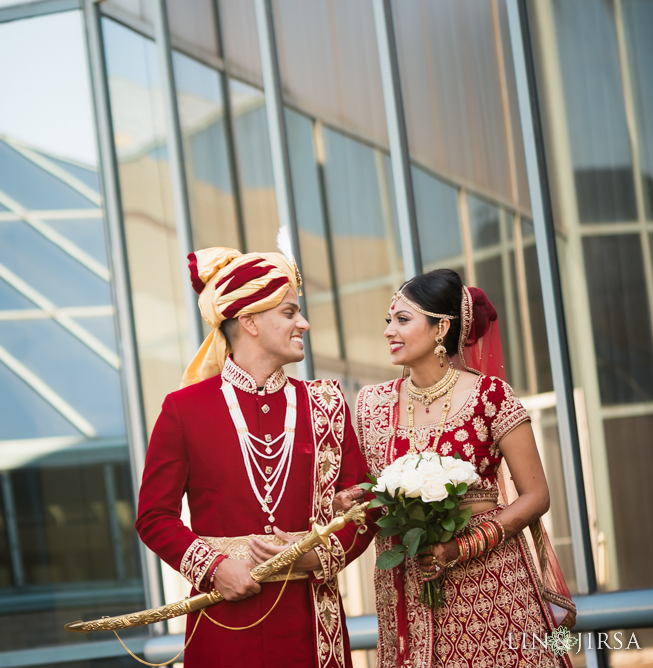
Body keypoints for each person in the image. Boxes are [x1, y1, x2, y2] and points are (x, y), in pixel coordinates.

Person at [135, 246, 373, 668]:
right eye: (288, 312)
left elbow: (365, 508)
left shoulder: (327, 404)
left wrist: (314, 555)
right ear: (248, 321)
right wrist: (214, 568)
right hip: (224, 628)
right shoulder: (183, 409)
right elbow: (154, 517)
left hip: (313, 627)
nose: (304, 323)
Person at [346, 268, 575, 668]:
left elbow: (537, 496)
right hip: (412, 585)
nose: (388, 331)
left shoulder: (490, 395)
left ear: (441, 328)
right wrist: (351, 500)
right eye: (389, 320)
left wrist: (459, 548)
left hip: (493, 586)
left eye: (402, 320)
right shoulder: (372, 404)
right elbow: (371, 493)